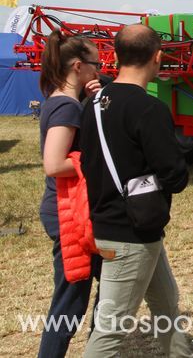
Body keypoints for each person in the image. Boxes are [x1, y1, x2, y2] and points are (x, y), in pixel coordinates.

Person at [80, 24, 192, 357]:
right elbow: (176, 177)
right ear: (158, 58)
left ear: (114, 57)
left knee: (166, 307)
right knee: (110, 332)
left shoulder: (94, 103)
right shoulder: (150, 109)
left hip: (118, 225)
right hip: (129, 234)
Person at [37, 31, 102, 358]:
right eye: (96, 64)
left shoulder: (65, 101)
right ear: (79, 66)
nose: (100, 70)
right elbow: (54, 164)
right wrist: (91, 165)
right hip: (68, 213)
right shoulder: (66, 108)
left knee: (88, 292)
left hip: (68, 208)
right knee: (69, 304)